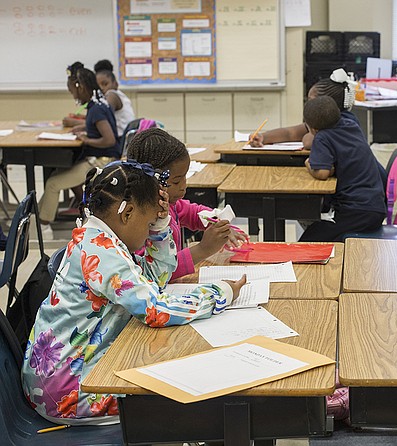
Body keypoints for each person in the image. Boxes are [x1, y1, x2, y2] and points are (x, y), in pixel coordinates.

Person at [22, 161, 246, 424]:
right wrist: (221, 293)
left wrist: (162, 225)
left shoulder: (96, 237)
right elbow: (157, 310)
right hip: (69, 393)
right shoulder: (102, 252)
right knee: (191, 395)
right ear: (127, 214)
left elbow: (155, 278)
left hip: (60, 376)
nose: (150, 230)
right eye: (149, 222)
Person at [126, 127, 248, 281]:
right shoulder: (139, 222)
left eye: (185, 177)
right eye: (176, 181)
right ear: (150, 181)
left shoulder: (169, 204)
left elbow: (192, 212)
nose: (184, 186)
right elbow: (154, 273)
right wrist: (203, 249)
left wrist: (219, 224)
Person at [39, 68, 122, 238]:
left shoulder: (96, 109)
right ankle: (38, 217)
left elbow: (109, 140)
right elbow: (99, 125)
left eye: (72, 91)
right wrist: (85, 127)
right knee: (56, 174)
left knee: (53, 183)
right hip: (100, 157)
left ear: (81, 88)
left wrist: (87, 140)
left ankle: (43, 228)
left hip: (102, 161)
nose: (73, 96)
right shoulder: (98, 102)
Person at [299, 96, 386, 242]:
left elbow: (322, 173)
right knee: (322, 230)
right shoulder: (351, 125)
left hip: (357, 211)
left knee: (311, 237)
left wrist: (308, 165)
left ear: (312, 128)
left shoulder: (322, 137)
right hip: (375, 206)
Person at [249, 68, 357, 150]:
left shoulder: (344, 123)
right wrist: (263, 137)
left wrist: (308, 133)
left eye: (311, 100)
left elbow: (308, 142)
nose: (307, 105)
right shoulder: (324, 118)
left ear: (327, 105)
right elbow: (290, 133)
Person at [94, 59, 136, 137]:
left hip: (120, 140)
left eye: (105, 84)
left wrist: (76, 123)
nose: (101, 88)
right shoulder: (117, 95)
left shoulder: (112, 95)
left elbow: (103, 118)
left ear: (115, 84)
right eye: (98, 86)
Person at [62, 61, 86, 128]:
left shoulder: (98, 103)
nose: (74, 97)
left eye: (72, 92)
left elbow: (101, 125)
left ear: (80, 87)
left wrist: (75, 122)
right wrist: (83, 117)